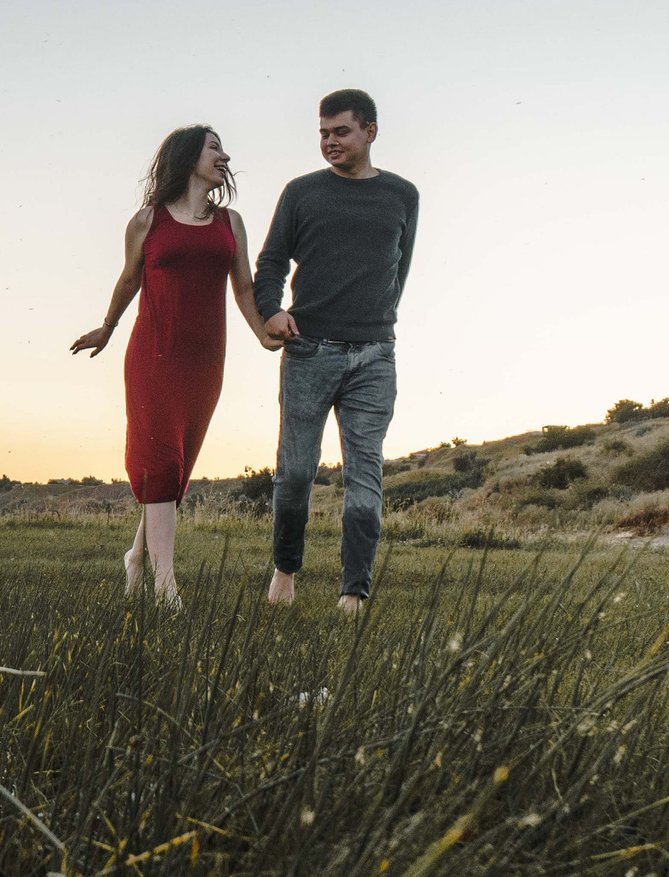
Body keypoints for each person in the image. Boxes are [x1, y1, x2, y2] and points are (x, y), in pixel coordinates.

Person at [72, 125, 279, 604]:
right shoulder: (148, 221)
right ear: (189, 158)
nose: (225, 157)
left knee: (175, 467)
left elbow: (243, 289)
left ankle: (136, 556)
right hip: (154, 354)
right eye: (215, 148)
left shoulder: (231, 223)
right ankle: (165, 586)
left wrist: (263, 334)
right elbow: (129, 279)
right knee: (159, 460)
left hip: (205, 362)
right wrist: (107, 326)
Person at [254, 89, 419, 613]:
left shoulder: (403, 194)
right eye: (323, 133)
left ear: (370, 132)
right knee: (296, 473)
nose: (329, 141)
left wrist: (378, 323)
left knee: (364, 476)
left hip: (375, 356)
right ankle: (285, 571)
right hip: (309, 352)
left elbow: (399, 268)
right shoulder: (302, 192)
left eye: (341, 131)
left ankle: (353, 594)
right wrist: (270, 309)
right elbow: (271, 262)